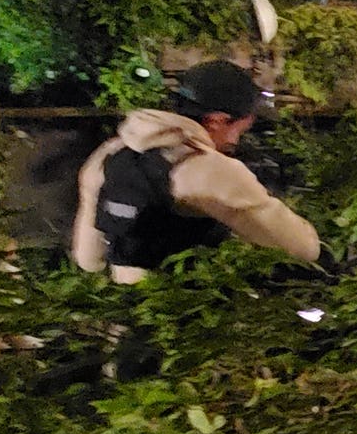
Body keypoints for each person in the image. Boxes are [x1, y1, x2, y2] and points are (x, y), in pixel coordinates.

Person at [71, 60, 320, 282]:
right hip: (193, 315)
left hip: (128, 312)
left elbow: (89, 260)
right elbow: (302, 248)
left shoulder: (111, 153)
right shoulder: (211, 169)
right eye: (240, 130)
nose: (236, 141)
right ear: (216, 120)